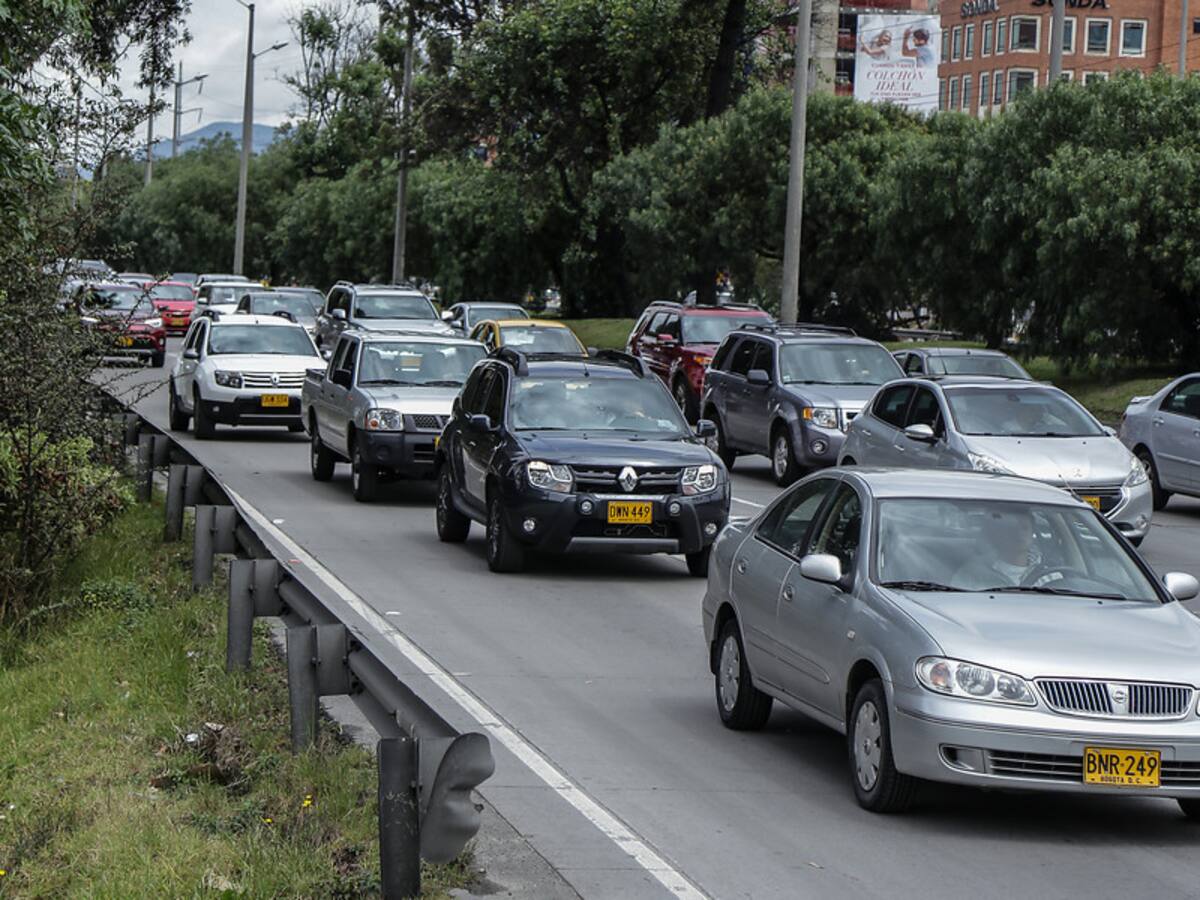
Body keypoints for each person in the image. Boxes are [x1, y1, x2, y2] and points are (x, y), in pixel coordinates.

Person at [952, 507, 1042, 589]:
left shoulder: (1049, 570)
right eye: (1012, 528)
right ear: (999, 534)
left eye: (1025, 528)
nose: (1019, 534)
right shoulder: (972, 573)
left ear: (1032, 532)